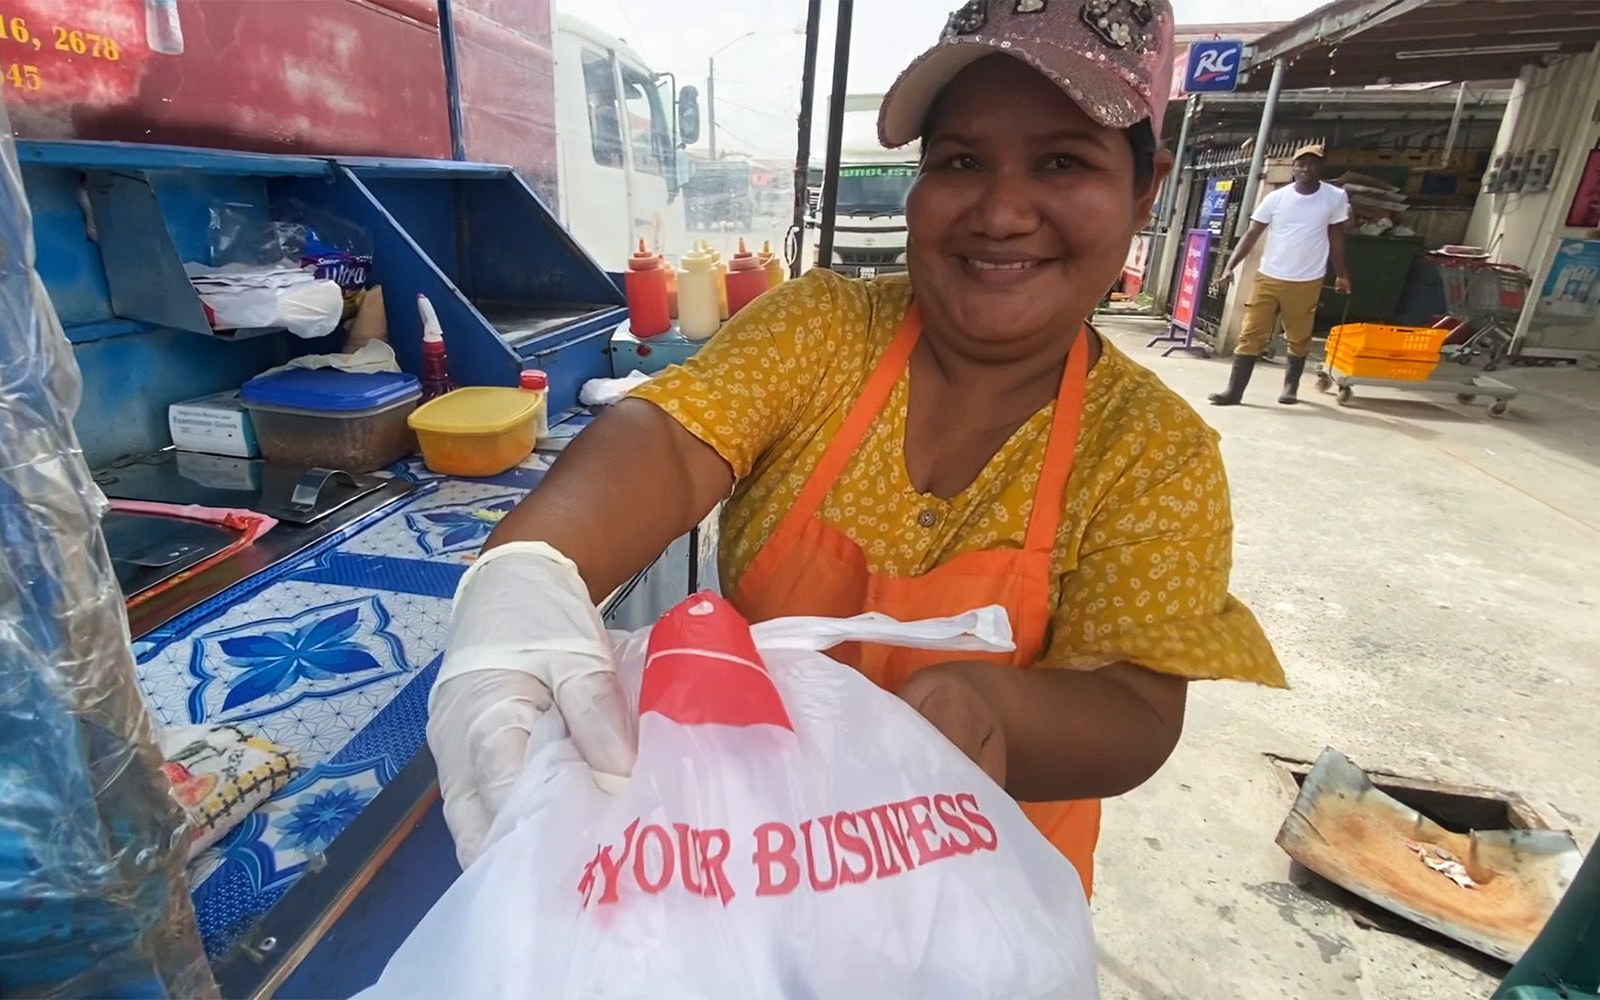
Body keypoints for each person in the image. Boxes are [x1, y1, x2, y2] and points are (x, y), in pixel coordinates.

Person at [427, 0, 1285, 897]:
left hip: (986, 897)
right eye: (960, 161)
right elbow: (670, 443)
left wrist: (985, 712)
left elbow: (1136, 709)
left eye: (1064, 160)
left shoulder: (1154, 452)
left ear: (1145, 188)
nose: (1000, 212)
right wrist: (528, 572)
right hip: (751, 859)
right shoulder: (825, 330)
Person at [1209, 145, 1352, 406]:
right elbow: (1252, 234)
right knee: (1251, 333)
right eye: (1301, 164)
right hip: (1269, 276)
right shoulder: (1276, 198)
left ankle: (1290, 389)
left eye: (1312, 163)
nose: (1306, 168)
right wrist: (1230, 266)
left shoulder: (1335, 197)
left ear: (1321, 167)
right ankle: (1234, 392)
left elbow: (1336, 236)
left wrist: (1342, 274)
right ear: (1293, 168)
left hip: (1307, 279)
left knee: (1298, 337)